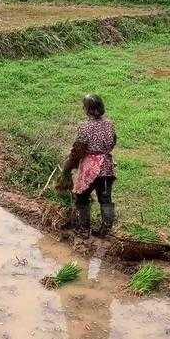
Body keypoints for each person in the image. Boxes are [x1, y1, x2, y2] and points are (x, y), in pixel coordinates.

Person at [62, 94, 116, 237]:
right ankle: (105, 231)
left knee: (82, 197)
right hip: (106, 167)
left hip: (90, 169)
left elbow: (77, 151)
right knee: (105, 199)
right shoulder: (109, 124)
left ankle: (83, 229)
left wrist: (67, 167)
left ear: (88, 110)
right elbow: (113, 142)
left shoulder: (84, 128)